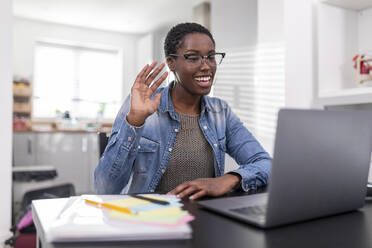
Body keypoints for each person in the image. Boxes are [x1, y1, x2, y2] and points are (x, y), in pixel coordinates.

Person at [94, 22, 271, 200]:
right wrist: (134, 122)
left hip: (206, 219)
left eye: (210, 57)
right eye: (193, 58)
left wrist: (229, 179)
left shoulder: (220, 112)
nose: (206, 66)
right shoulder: (143, 106)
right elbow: (105, 188)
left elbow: (265, 163)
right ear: (171, 62)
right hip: (149, 219)